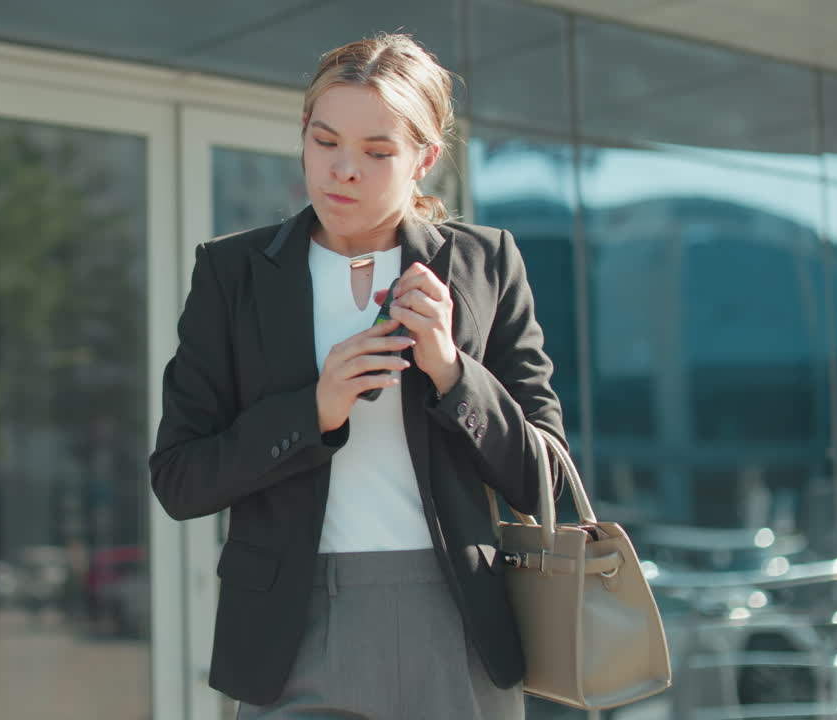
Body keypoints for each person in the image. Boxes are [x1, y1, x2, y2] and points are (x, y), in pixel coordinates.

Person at [150, 32, 565, 719]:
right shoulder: (233, 274)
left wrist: (454, 374)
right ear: (304, 135)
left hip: (457, 616)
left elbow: (543, 483)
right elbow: (180, 479)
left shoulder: (486, 266)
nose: (343, 170)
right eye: (325, 141)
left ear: (424, 160)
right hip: (292, 626)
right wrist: (312, 412)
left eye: (377, 153)